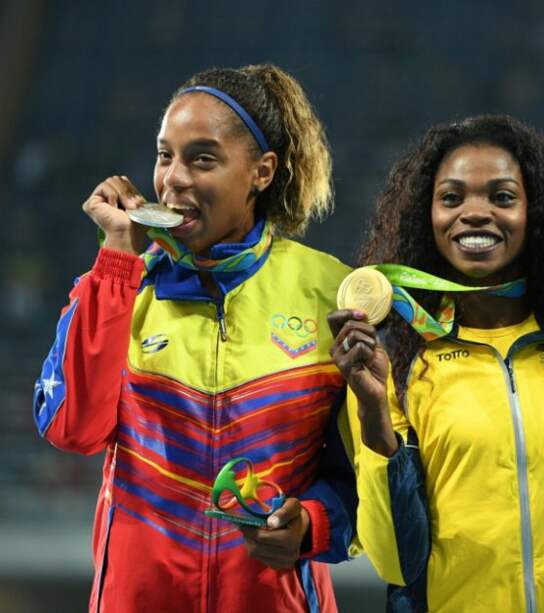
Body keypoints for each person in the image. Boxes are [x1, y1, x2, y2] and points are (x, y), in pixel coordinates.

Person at [32, 64, 356, 613]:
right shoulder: (119, 288)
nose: (173, 179)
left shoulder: (330, 291)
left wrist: (312, 525)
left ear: (261, 171)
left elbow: (364, 469)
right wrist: (116, 257)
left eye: (202, 158)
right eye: (165, 155)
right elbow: (73, 431)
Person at [327, 115, 544, 612]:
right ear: (425, 217)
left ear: (535, 213)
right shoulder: (397, 362)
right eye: (452, 198)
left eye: (501, 197)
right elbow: (391, 561)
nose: (475, 212)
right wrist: (372, 414)